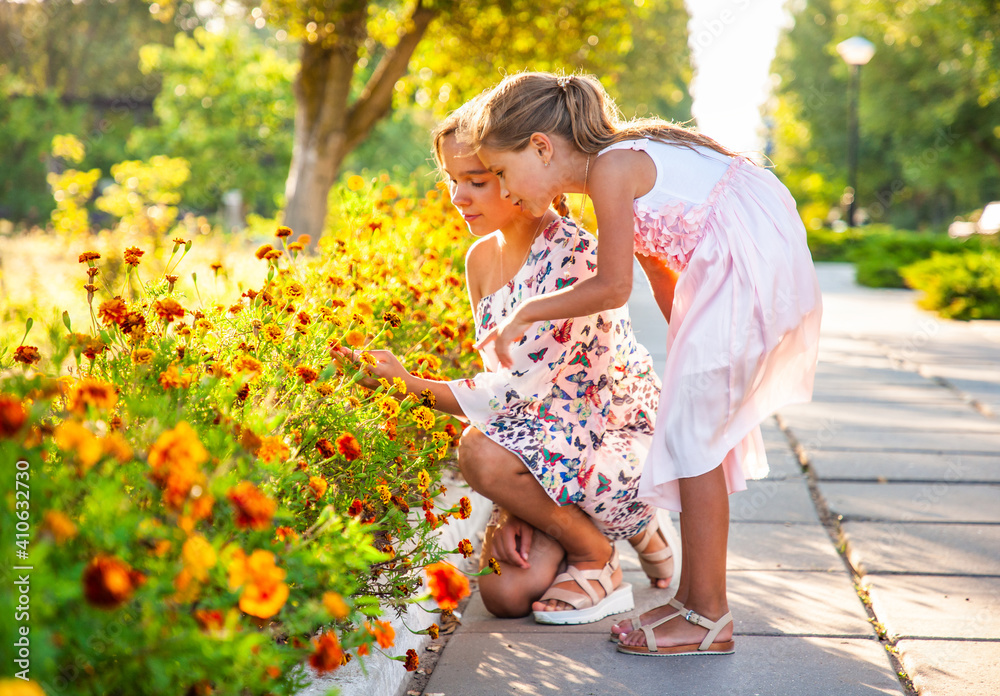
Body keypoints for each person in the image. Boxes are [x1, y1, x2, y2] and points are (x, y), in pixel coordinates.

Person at [459, 72, 822, 656]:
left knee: (694, 441)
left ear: (542, 147)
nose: (504, 186)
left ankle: (708, 616)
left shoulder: (609, 168)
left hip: (746, 263)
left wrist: (526, 311)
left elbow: (612, 285)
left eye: (501, 171)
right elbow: (658, 267)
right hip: (744, 261)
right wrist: (688, 348)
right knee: (692, 431)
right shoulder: (620, 165)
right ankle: (693, 602)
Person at [336, 107, 675, 624]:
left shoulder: (576, 257)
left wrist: (409, 385)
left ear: (517, 174)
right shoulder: (480, 259)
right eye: (452, 180)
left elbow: (511, 394)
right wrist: (510, 507)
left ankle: (598, 552)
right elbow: (511, 398)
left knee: (480, 454)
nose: (457, 196)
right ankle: (610, 528)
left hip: (603, 435)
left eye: (475, 180)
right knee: (505, 595)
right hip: (542, 441)